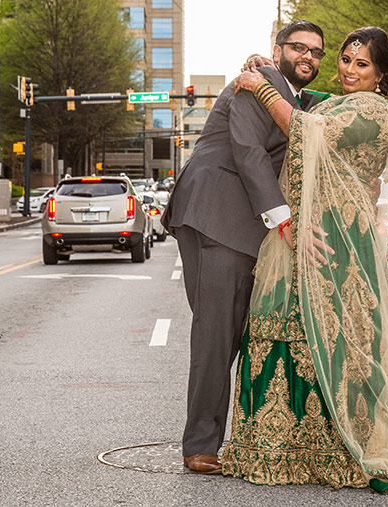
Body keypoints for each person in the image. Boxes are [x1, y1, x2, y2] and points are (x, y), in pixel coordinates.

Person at [222, 27, 388, 493]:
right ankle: (291, 445)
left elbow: (300, 126)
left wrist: (260, 85)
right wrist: (269, 66)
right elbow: (308, 99)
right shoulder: (340, 100)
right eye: (345, 60)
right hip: (314, 225)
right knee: (290, 321)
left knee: (339, 332)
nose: (350, 70)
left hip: (340, 234)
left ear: (379, 75)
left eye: (362, 65)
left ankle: (342, 443)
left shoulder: (372, 108)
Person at [160, 20, 331, 475]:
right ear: (277, 51)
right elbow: (249, 152)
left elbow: (309, 115)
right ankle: (200, 445)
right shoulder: (260, 83)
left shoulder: (286, 92)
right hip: (219, 214)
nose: (308, 58)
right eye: (299, 48)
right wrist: (283, 219)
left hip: (229, 220)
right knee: (217, 334)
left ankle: (210, 439)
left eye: (316, 52)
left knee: (228, 333)